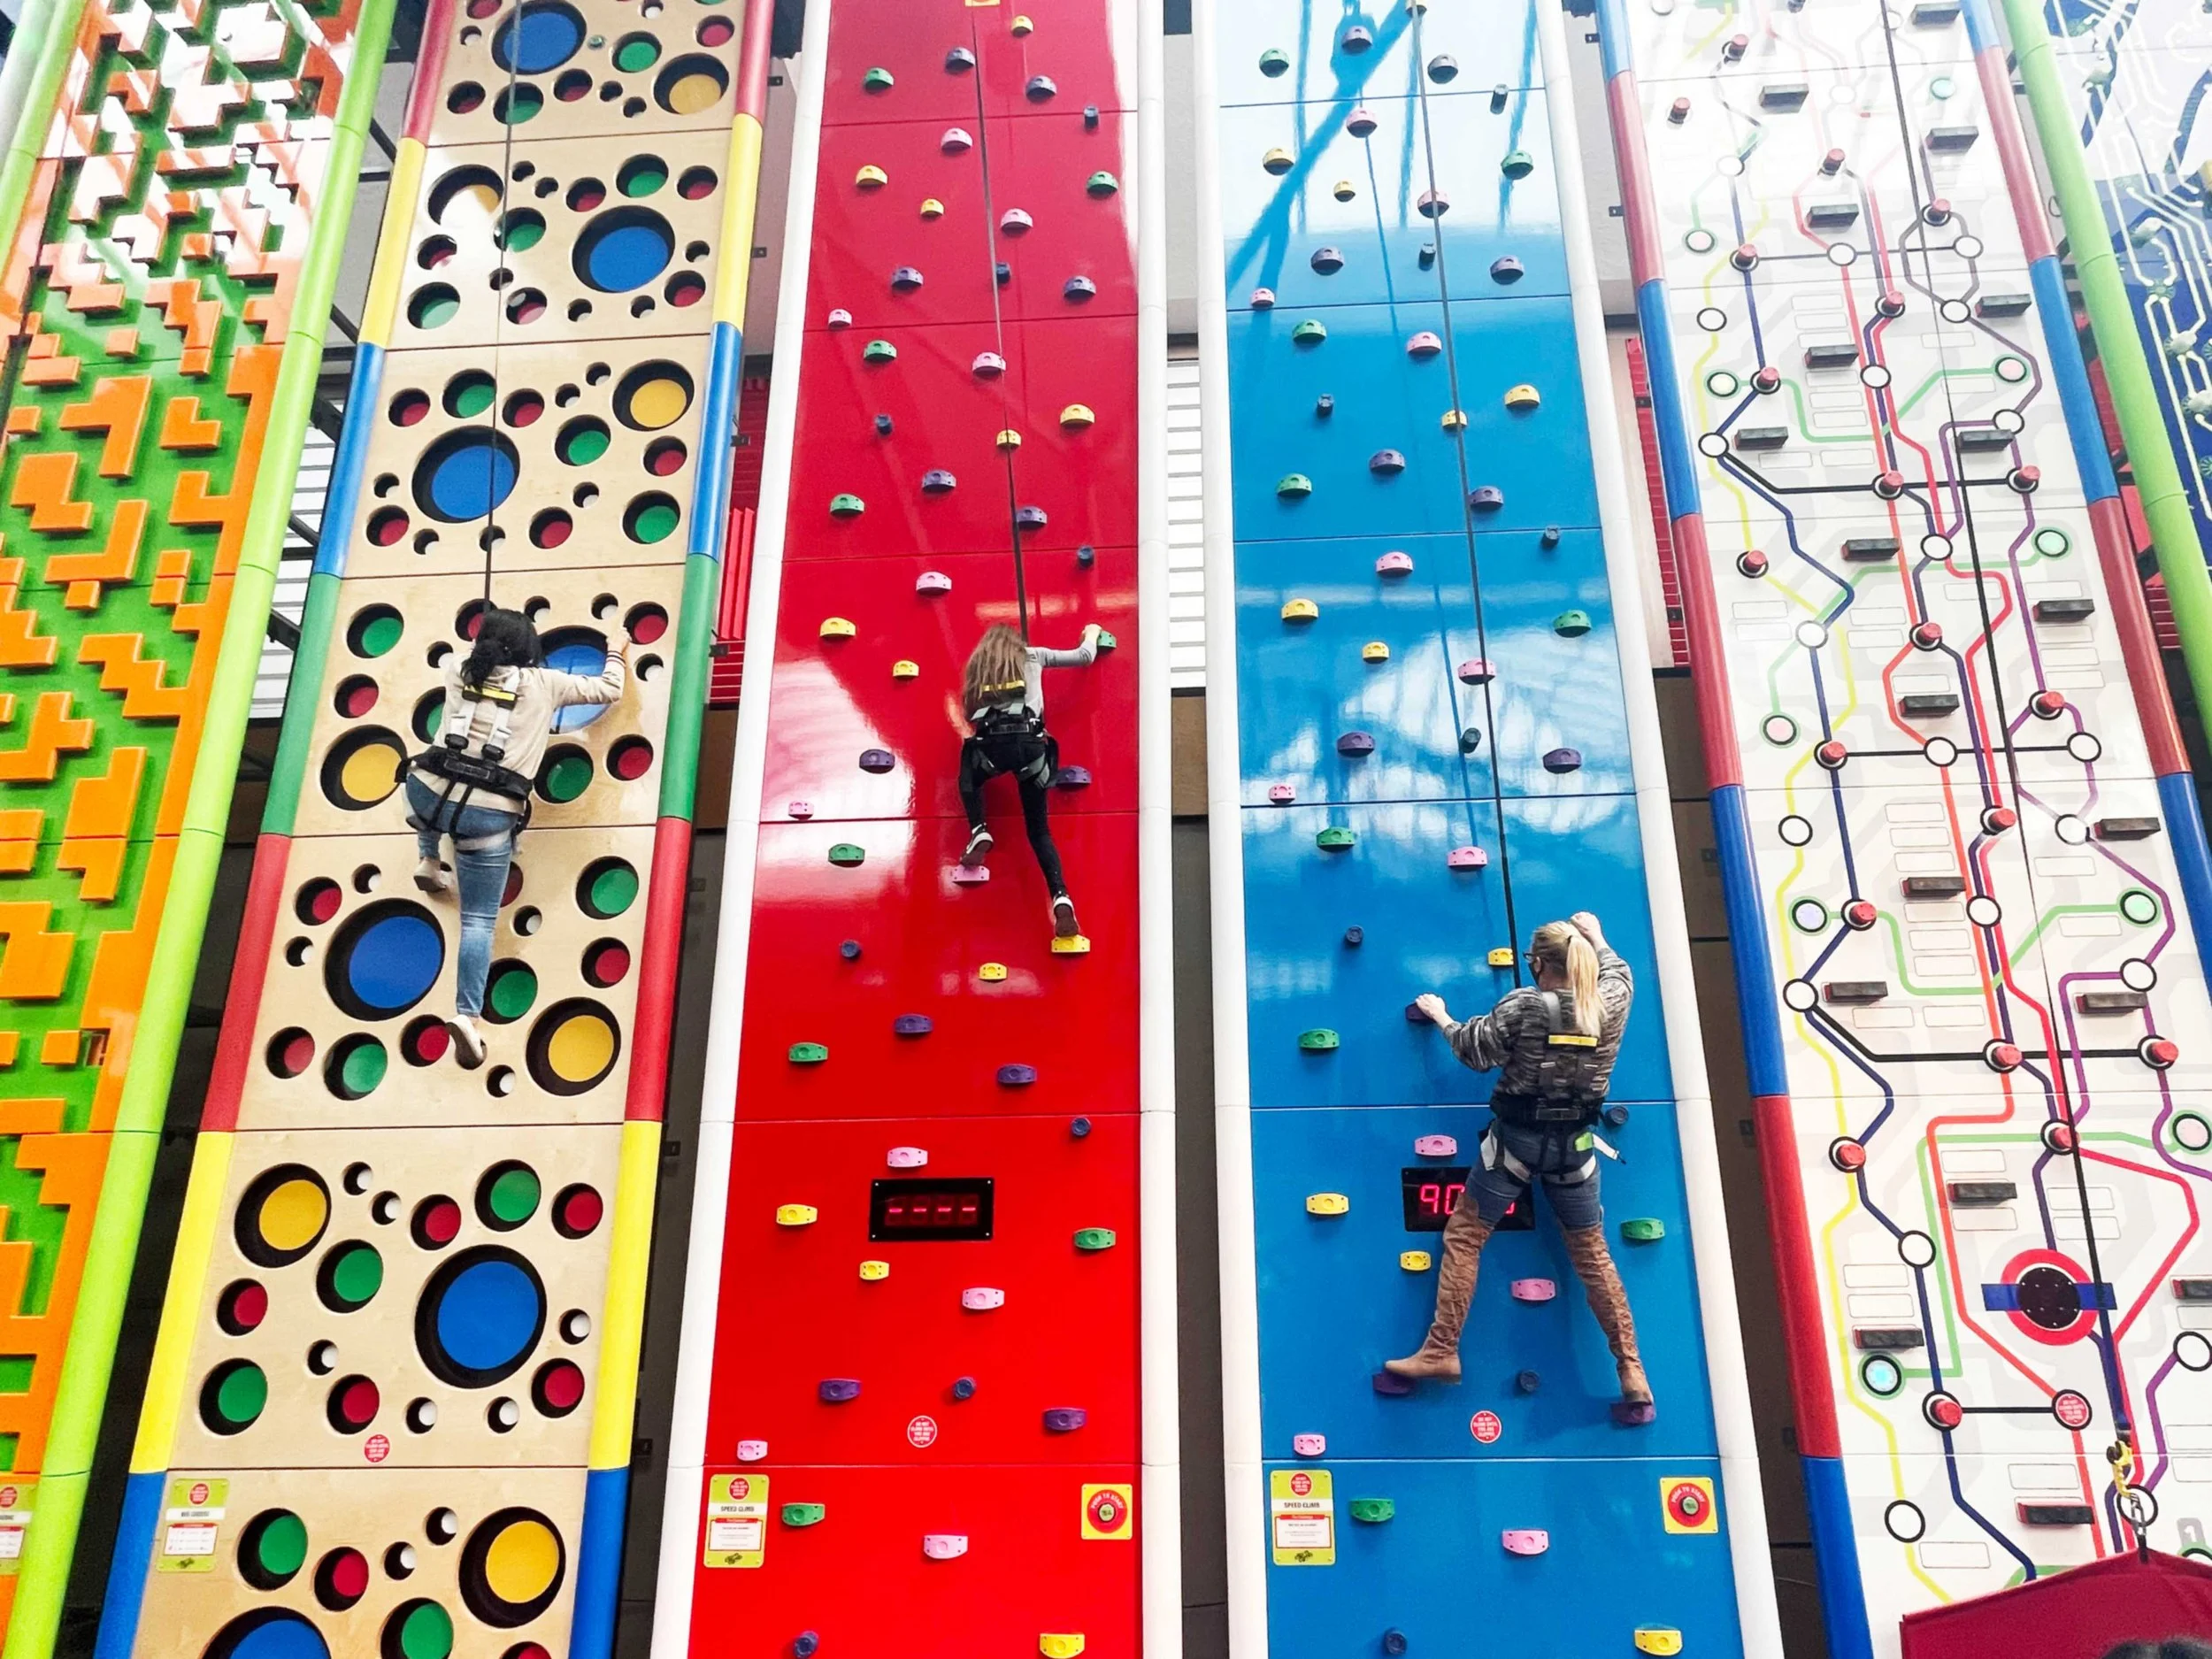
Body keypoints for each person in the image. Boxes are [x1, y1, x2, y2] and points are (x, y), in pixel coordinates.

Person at [1386, 910, 1654, 1423]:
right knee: (1592, 1255)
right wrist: (1597, 935)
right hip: (1576, 1148)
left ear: (1537, 964)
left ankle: (1442, 1350)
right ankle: (1631, 1370)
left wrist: (1440, 1015)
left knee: (1466, 1236)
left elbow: (1473, 1051)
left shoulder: (1524, 1006)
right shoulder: (1610, 1001)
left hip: (1516, 1145)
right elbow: (1620, 970)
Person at [406, 607, 626, 1066]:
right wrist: (616, 650)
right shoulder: (546, 683)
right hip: (488, 816)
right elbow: (609, 689)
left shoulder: (456, 671)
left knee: (426, 788)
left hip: (426, 794)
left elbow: (476, 662)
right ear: (529, 649)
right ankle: (468, 1016)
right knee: (478, 921)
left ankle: (428, 858)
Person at [957, 620, 1100, 938]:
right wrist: (1091, 631)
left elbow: (968, 715)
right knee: (1038, 831)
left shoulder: (979, 667)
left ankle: (979, 829)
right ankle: (1060, 895)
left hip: (992, 747)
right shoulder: (1034, 655)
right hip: (1031, 748)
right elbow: (1084, 656)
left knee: (970, 773)